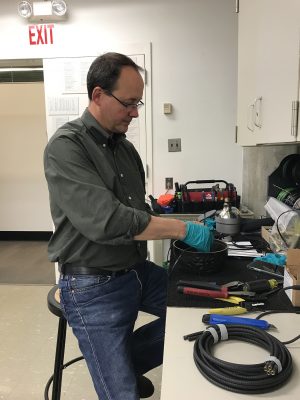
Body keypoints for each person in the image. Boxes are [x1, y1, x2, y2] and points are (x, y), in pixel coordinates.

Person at [44, 52, 212, 400]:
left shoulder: (126, 151)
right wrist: (181, 231)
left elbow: (138, 211)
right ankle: (117, 369)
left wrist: (176, 231)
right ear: (97, 95)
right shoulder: (66, 147)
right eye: (128, 103)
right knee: (122, 395)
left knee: (200, 312)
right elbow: (108, 221)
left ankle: (123, 360)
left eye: (139, 103)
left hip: (135, 271)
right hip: (92, 285)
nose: (135, 113)